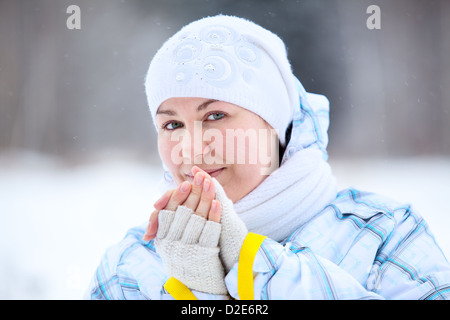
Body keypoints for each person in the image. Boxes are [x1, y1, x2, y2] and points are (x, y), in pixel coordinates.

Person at [85, 15, 450, 300]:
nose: (191, 148)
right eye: (172, 125)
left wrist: (256, 269)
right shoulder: (132, 266)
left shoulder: (384, 236)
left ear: (275, 123)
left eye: (215, 116)